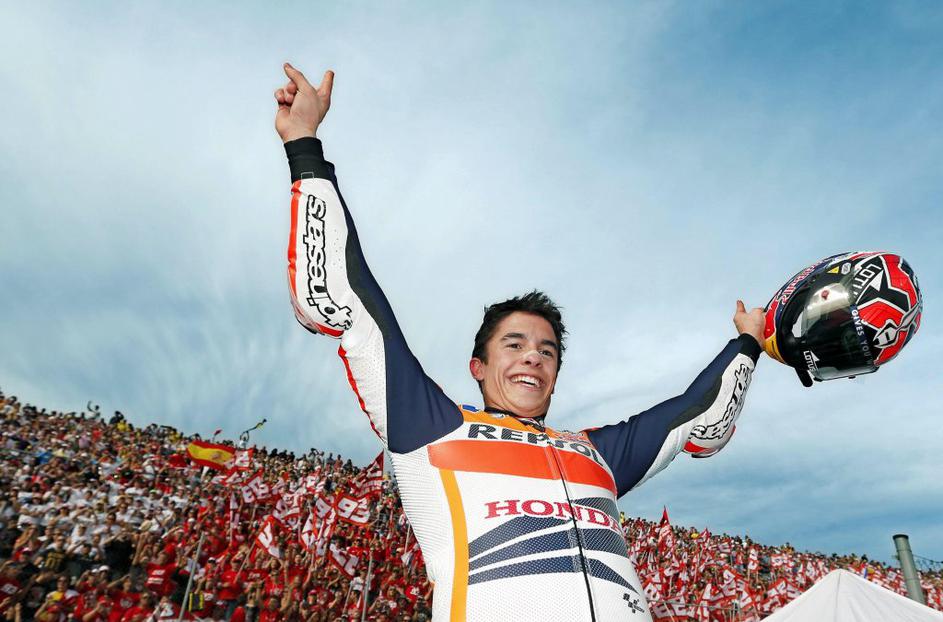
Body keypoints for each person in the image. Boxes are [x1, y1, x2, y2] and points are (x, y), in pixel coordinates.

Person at [274, 63, 766, 621]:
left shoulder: (598, 454)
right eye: (514, 344)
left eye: (547, 350)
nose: (533, 354)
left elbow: (698, 415)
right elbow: (350, 300)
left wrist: (747, 344)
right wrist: (304, 144)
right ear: (477, 367)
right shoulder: (430, 426)